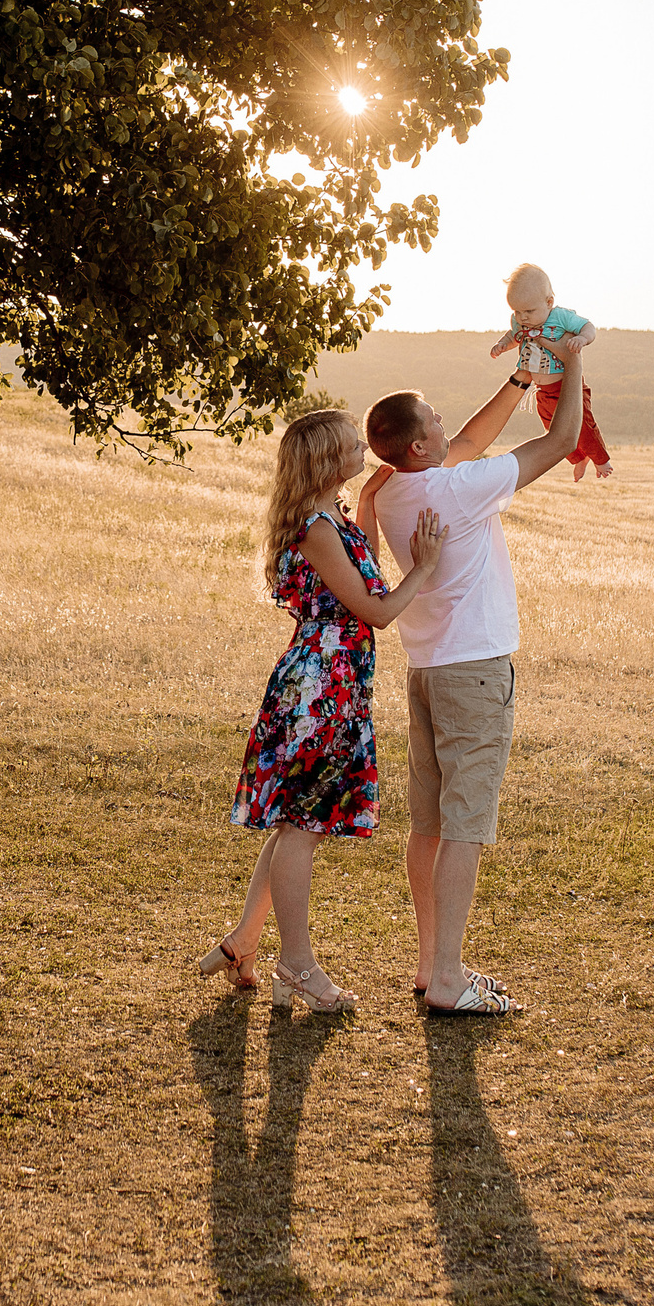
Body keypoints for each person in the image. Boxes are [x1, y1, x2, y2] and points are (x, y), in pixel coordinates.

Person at [354, 336, 587, 1014]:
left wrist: (520, 379)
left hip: (427, 671)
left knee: (428, 824)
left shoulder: (395, 489)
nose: (443, 421)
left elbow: (468, 441)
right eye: (433, 418)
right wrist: (572, 360)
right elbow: (562, 439)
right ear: (418, 445)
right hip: (475, 674)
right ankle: (450, 979)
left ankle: (431, 964)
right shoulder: (457, 489)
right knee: (464, 826)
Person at [198, 407, 447, 1012]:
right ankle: (297, 966)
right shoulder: (315, 528)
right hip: (320, 689)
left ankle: (243, 942)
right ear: (326, 459)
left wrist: (369, 502)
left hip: (333, 682)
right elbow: (377, 611)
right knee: (303, 829)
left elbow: (364, 575)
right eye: (351, 444)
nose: (363, 448)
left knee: (295, 823)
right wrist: (424, 568)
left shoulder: (332, 518)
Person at [489, 262, 610, 479]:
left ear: (549, 302)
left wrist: (582, 339)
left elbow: (588, 326)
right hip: (542, 390)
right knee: (552, 430)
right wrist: (502, 345)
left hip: (567, 387)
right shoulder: (519, 323)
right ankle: (578, 458)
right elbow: (512, 336)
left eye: (529, 311)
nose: (522, 317)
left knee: (583, 425)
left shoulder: (560, 317)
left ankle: (601, 460)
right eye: (517, 311)